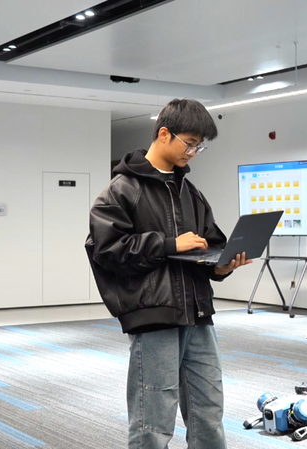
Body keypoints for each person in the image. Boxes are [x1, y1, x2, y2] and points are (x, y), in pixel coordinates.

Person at [85, 98, 251, 448]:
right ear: (164, 134)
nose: (194, 153)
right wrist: (169, 244)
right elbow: (108, 251)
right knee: (153, 422)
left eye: (199, 147)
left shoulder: (191, 192)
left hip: (198, 316)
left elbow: (209, 244)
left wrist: (221, 266)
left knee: (209, 415)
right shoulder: (121, 191)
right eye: (190, 144)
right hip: (155, 318)